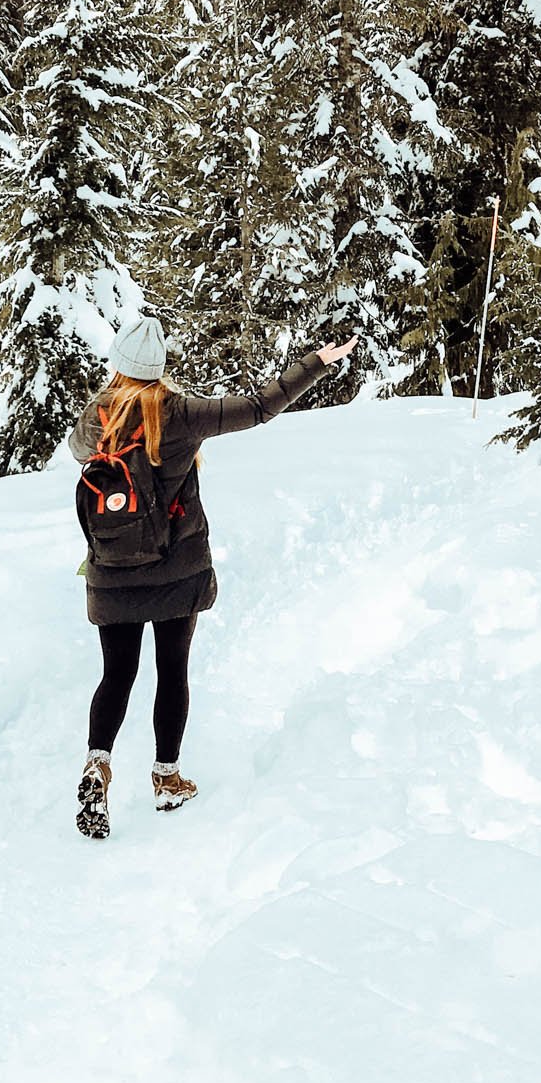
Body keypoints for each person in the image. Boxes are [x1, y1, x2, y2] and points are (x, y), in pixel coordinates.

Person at [70, 314, 358, 840]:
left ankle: (97, 764)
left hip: (112, 571)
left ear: (117, 361)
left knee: (116, 675)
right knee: (170, 671)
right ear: (159, 367)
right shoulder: (178, 414)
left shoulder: (96, 416)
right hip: (176, 572)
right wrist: (318, 362)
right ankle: (165, 778)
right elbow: (258, 408)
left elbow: (78, 453)